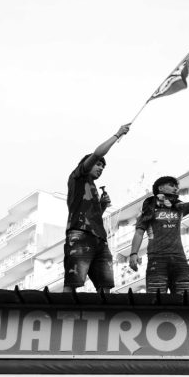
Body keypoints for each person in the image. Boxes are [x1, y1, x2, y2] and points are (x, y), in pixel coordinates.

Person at [63, 124, 130, 293]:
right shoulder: (78, 176)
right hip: (80, 235)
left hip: (99, 238)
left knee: (105, 285)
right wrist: (117, 135)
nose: (101, 168)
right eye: (98, 164)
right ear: (87, 164)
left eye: (103, 166)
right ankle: (62, 313)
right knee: (73, 282)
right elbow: (98, 152)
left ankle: (105, 316)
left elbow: (91, 216)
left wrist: (102, 206)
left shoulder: (91, 187)